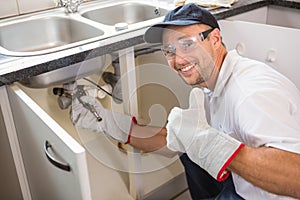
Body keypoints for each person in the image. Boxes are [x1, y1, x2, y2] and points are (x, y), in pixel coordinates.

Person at [71, 3, 300, 199]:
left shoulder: (249, 93)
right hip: (245, 184)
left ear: (215, 39)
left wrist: (212, 145)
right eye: (169, 50)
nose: (178, 59)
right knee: (188, 148)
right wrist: (104, 121)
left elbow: (296, 176)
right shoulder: (213, 84)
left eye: (187, 44)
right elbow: (174, 140)